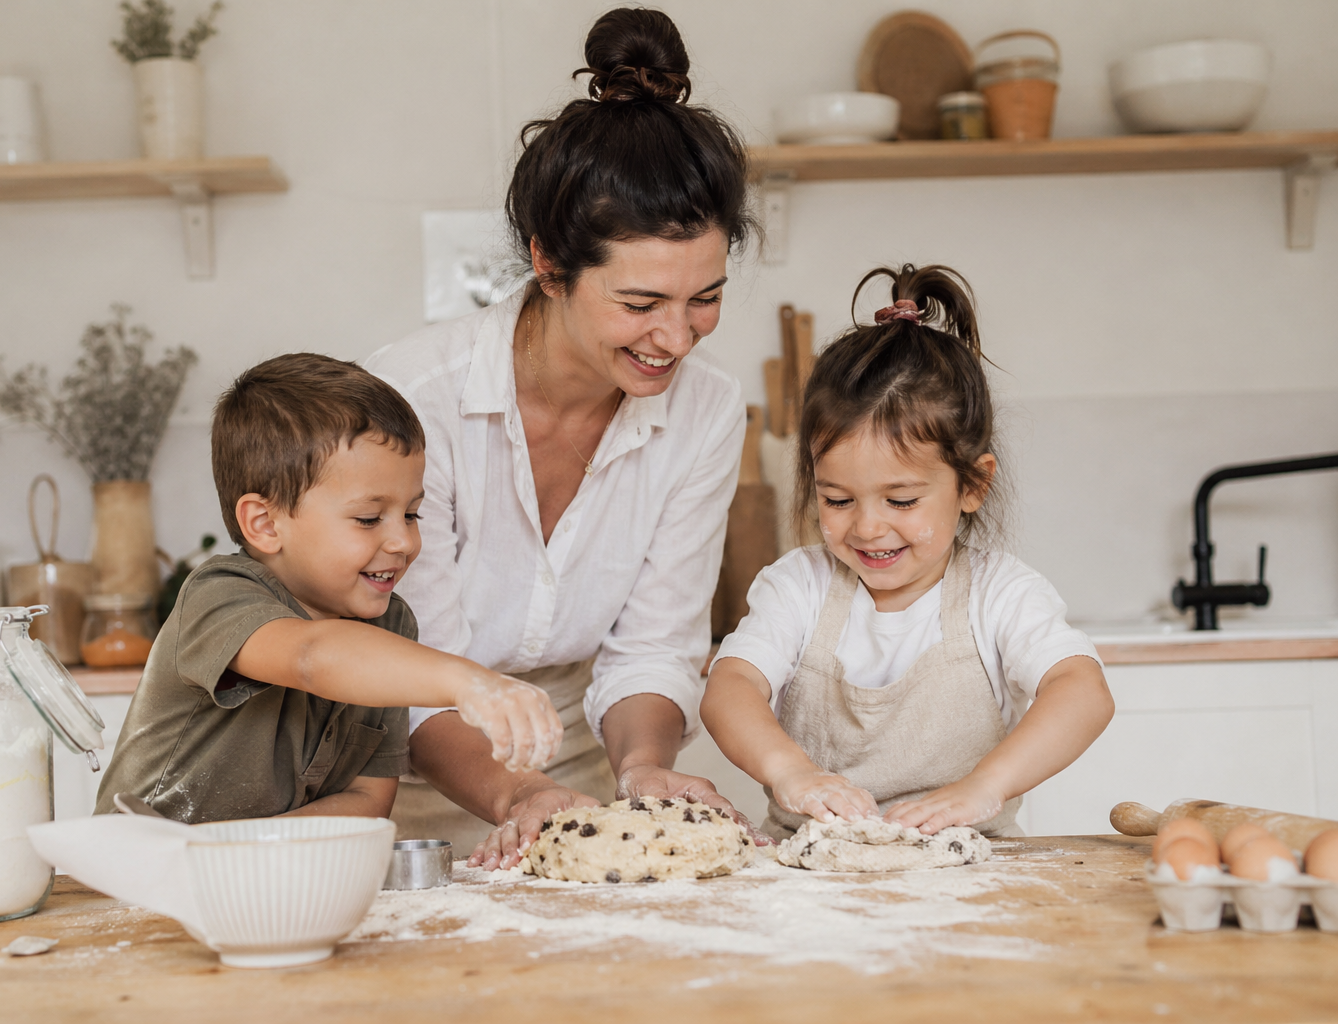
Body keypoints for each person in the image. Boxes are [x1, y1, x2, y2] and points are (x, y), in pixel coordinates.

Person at [366, 7, 755, 867]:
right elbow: (413, 667)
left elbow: (656, 642)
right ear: (548, 266)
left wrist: (644, 767)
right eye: (641, 304)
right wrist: (518, 795)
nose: (679, 339)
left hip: (578, 770)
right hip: (391, 783)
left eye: (706, 298)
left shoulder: (708, 409)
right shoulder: (408, 400)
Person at [701, 265, 1115, 839]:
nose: (869, 528)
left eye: (900, 500)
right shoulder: (798, 586)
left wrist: (984, 787)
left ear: (972, 485)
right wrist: (791, 772)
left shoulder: (1000, 594)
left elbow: (1083, 692)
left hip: (971, 879)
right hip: (805, 878)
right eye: (838, 499)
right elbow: (730, 690)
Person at [95, 354, 563, 823]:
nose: (403, 541)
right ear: (264, 524)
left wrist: (241, 854)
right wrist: (469, 681)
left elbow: (367, 801)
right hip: (136, 877)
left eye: (412, 514)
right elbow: (312, 658)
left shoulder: (391, 628)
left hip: (254, 881)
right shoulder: (219, 596)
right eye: (368, 518)